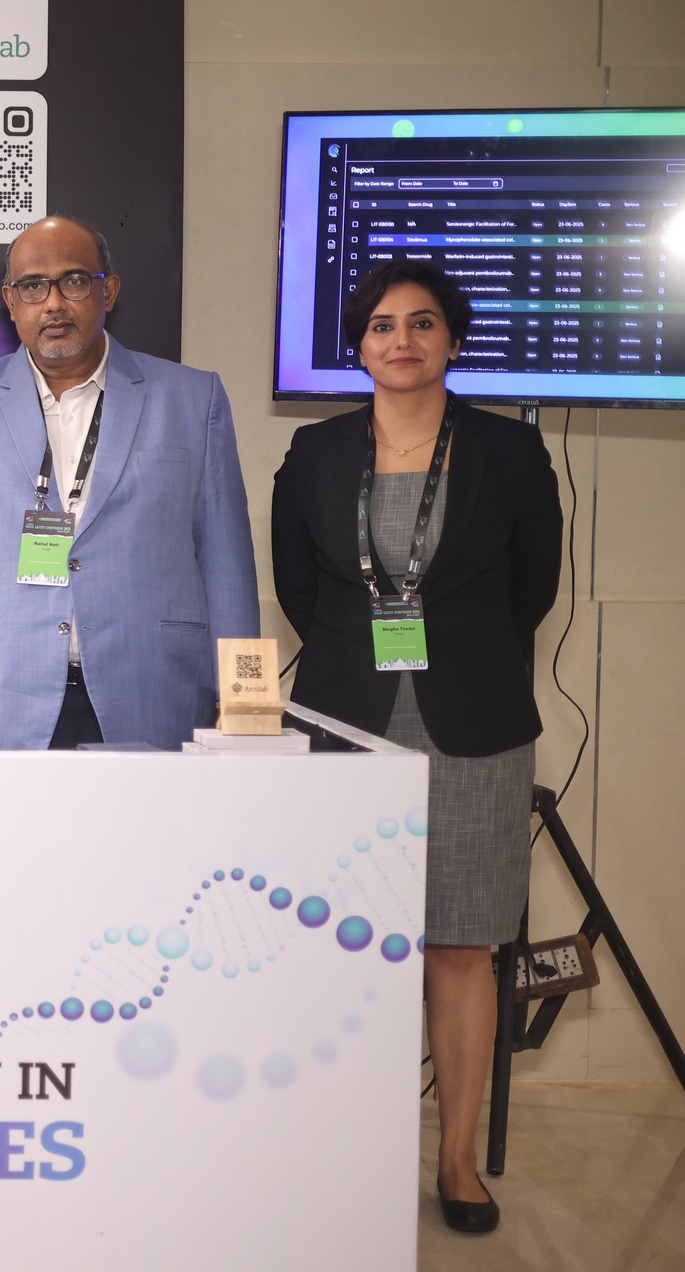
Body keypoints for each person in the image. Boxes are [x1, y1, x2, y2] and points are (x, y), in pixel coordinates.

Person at [272, 259, 561, 1234]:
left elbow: (530, 590)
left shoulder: (508, 452)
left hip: (473, 724)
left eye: (422, 323)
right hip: (345, 720)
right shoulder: (314, 453)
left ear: (452, 339)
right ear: (357, 346)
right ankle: (349, 1153)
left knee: (461, 945)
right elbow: (300, 588)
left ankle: (457, 1160)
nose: (402, 340)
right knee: (347, 946)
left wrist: (461, 658)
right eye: (382, 325)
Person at [0, 215, 258, 749]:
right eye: (33, 286)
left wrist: (246, 708)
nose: (54, 303)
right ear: (10, 301)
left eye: (75, 281)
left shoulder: (192, 400)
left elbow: (228, 569)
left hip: (151, 693)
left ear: (109, 290)